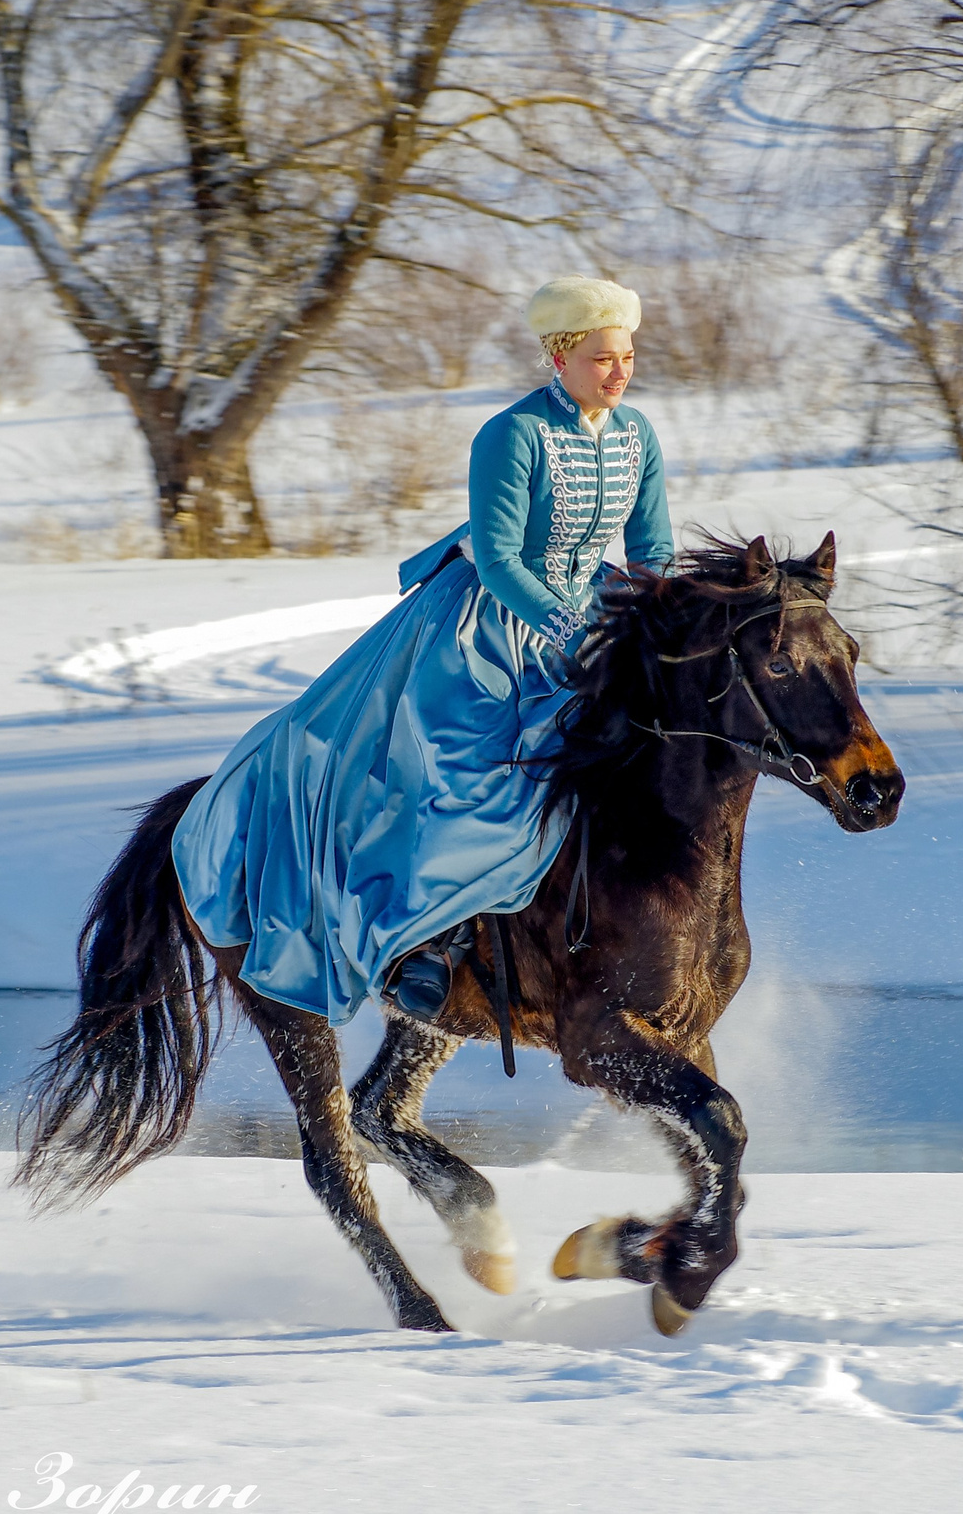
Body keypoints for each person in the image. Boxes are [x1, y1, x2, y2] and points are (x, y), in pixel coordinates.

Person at [170, 276, 674, 1024]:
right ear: (560, 358)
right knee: (479, 766)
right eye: (604, 359)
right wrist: (567, 634)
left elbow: (652, 548)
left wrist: (655, 622)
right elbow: (501, 559)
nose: (620, 372)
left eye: (627, 356)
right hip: (486, 624)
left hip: (592, 608)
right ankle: (422, 942)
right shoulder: (513, 435)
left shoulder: (637, 435)